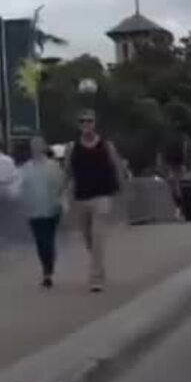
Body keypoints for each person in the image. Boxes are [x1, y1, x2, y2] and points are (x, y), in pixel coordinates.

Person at [64, 110, 123, 292]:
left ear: (95, 123)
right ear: (79, 125)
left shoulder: (107, 146)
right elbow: (68, 171)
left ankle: (95, 278)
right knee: (88, 238)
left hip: (102, 196)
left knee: (98, 237)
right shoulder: (72, 148)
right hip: (82, 197)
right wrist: (62, 191)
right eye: (83, 121)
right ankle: (99, 266)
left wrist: (122, 189)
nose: (86, 124)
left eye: (89, 121)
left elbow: (117, 167)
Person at [18, 137, 65, 287]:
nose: (36, 148)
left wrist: (59, 201)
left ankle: (48, 272)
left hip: (51, 209)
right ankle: (46, 266)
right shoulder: (26, 168)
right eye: (33, 145)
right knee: (40, 242)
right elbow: (21, 187)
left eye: (38, 145)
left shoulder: (53, 166)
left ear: (44, 147)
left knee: (48, 239)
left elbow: (61, 184)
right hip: (33, 210)